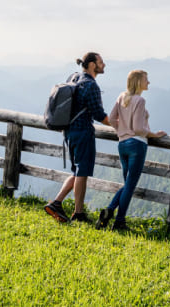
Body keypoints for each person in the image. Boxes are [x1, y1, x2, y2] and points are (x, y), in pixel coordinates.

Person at [44, 52, 111, 224]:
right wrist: (121, 126)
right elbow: (99, 115)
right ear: (91, 65)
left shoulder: (74, 78)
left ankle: (57, 203)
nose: (103, 65)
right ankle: (78, 213)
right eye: (100, 62)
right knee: (82, 172)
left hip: (68, 131)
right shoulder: (91, 86)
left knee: (76, 171)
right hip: (83, 132)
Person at [96, 69, 166, 230]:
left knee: (127, 183)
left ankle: (109, 211)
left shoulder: (122, 97)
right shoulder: (140, 101)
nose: (148, 82)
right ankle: (119, 222)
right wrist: (154, 134)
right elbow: (138, 128)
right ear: (138, 82)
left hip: (122, 144)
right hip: (137, 145)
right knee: (130, 185)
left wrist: (122, 130)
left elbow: (112, 118)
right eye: (146, 79)